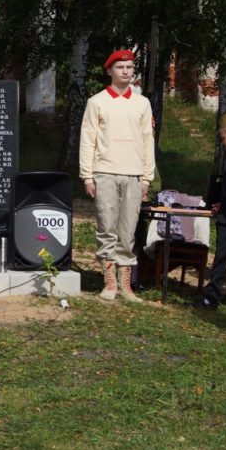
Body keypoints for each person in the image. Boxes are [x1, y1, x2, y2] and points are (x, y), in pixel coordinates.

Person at [79, 49, 155, 301]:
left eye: (130, 67)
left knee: (128, 230)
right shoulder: (97, 102)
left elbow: (148, 141)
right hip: (105, 172)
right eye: (121, 67)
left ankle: (126, 283)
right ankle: (109, 282)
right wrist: (87, 175)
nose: (126, 71)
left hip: (133, 174)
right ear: (110, 70)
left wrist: (146, 178)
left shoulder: (142, 103)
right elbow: (87, 139)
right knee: (107, 227)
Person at [201, 113, 226, 309]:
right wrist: (222, 203)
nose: (224, 143)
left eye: (224, 138)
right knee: (221, 256)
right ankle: (211, 296)